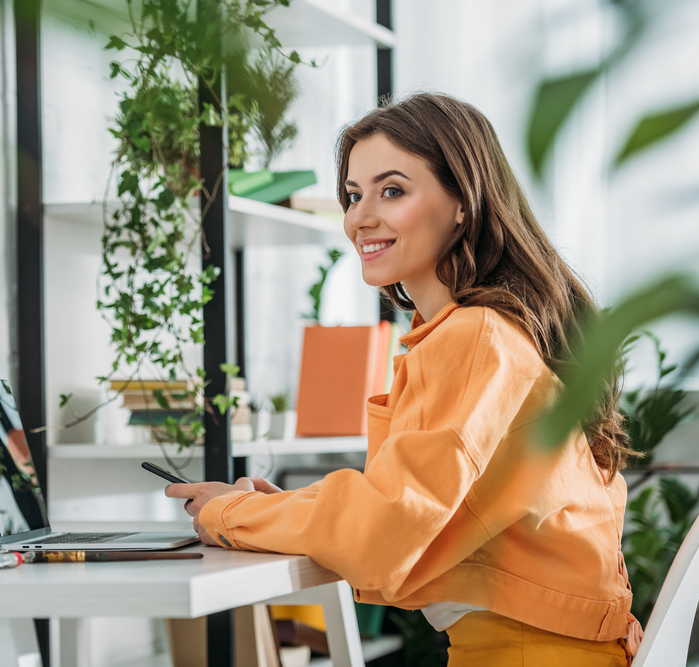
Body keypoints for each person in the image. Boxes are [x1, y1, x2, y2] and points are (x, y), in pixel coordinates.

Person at [166, 93, 642, 666]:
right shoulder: (478, 330)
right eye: (352, 195)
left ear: (463, 202)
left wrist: (228, 512)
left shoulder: (475, 336)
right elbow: (407, 495)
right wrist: (286, 510)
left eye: (392, 190)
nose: (360, 217)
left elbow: (383, 532)